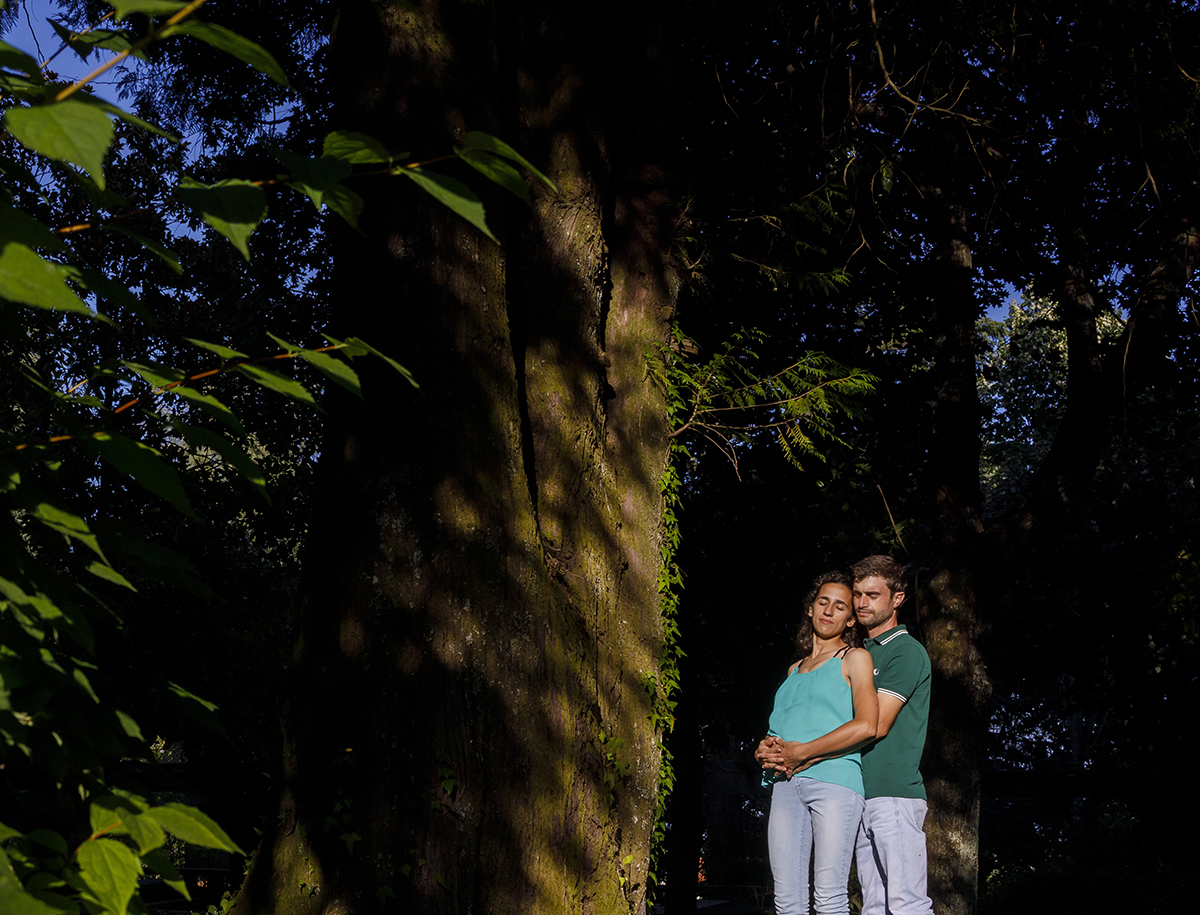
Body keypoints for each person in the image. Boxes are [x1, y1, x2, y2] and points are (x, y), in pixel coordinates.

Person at [754, 571, 879, 915]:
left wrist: (802, 752)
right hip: (785, 786)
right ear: (810, 609)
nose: (829, 610)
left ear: (850, 619)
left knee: (830, 898)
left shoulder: (854, 658)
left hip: (836, 782)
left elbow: (868, 725)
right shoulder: (794, 669)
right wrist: (763, 749)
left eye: (840, 606)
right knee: (787, 899)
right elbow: (777, 731)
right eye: (823, 602)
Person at [851, 555, 934, 915]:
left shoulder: (905, 651)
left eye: (872, 594)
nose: (861, 603)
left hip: (894, 797)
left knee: (907, 906)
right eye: (857, 594)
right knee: (873, 907)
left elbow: (876, 724)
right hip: (858, 794)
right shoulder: (855, 653)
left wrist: (804, 750)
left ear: (897, 599)